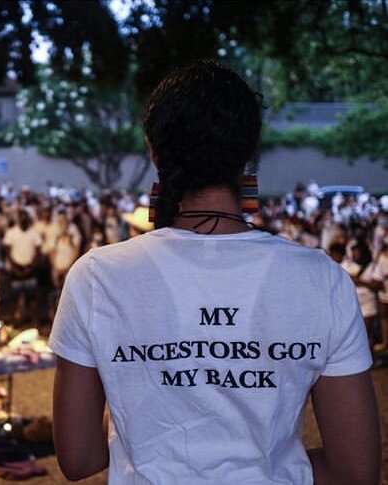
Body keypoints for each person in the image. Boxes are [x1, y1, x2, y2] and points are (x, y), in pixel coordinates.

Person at [50, 61, 380, 484]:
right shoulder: (321, 279)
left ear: (154, 150)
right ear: (248, 151)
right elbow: (355, 471)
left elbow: (78, 460)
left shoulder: (97, 277)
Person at [3, 209, 42, 323]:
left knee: (32, 297)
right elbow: (8, 252)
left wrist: (31, 267)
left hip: (30, 267)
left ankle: (33, 319)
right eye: (21, 218)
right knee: (15, 297)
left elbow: (37, 251)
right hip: (16, 267)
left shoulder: (34, 233)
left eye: (25, 218)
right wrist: (14, 267)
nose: (23, 220)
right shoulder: (11, 232)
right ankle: (16, 318)